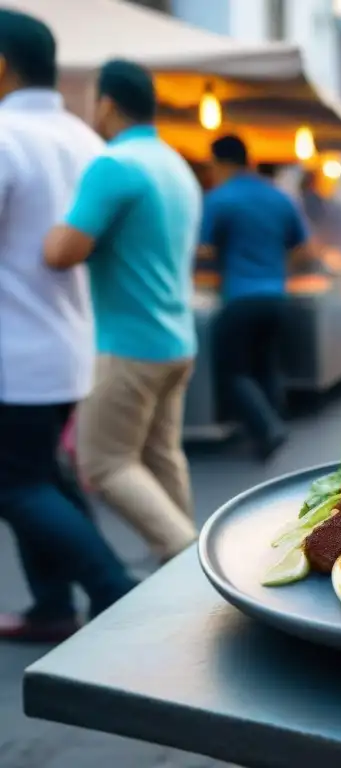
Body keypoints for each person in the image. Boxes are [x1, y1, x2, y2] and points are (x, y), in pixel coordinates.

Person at [0, 10, 136, 641]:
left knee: (19, 484)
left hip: (14, 352)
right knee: (40, 477)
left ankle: (114, 590)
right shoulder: (86, 139)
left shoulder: (4, 134)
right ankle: (52, 604)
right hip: (67, 346)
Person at [45, 59, 202, 564]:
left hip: (129, 343)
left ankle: (186, 559)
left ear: (106, 102)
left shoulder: (114, 164)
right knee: (160, 456)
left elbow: (61, 252)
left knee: (105, 463)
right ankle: (187, 557)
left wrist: (48, 229)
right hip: (177, 341)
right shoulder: (174, 163)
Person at [199, 134, 309, 459]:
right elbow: (302, 246)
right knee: (265, 363)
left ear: (219, 162)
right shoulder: (278, 196)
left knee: (232, 370)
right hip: (277, 297)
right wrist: (278, 271)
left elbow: (204, 249)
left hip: (241, 298)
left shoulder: (219, 198)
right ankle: (276, 421)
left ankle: (267, 428)